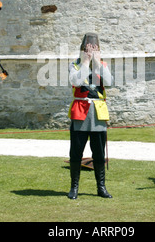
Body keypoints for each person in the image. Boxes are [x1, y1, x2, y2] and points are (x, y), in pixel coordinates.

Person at [67, 33, 113, 199]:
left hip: (98, 113)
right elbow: (77, 81)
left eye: (95, 49)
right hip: (80, 112)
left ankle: (101, 187)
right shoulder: (75, 65)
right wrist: (86, 62)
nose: (91, 51)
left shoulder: (102, 65)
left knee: (99, 153)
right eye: (88, 48)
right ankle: (74, 188)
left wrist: (96, 63)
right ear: (82, 49)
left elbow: (108, 82)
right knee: (76, 152)